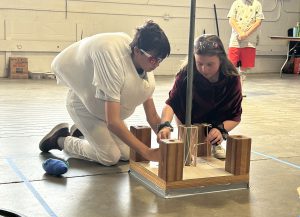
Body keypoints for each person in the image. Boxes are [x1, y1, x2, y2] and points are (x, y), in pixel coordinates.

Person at [39, 20, 171, 166]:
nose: (157, 65)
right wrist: (148, 152)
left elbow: (152, 116)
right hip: (83, 102)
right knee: (110, 157)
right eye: (153, 59)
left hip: (104, 107)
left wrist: (164, 134)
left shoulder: (145, 66)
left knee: (127, 153)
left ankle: (82, 132)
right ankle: (61, 139)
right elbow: (113, 122)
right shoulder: (111, 59)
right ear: (137, 50)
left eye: (160, 60)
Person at [157, 34, 242, 159]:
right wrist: (165, 125)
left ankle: (215, 142)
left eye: (210, 64)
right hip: (189, 117)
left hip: (216, 119)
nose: (204, 69)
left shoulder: (232, 79)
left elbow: (235, 115)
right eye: (199, 63)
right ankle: (185, 140)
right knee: (186, 154)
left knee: (212, 137)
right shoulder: (185, 74)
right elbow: (171, 103)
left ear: (221, 60)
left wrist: (221, 129)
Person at [227, 0, 264, 93]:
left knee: (244, 67)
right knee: (231, 65)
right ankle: (230, 89)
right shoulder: (236, 3)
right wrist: (240, 33)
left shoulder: (257, 4)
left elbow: (258, 21)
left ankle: (239, 90)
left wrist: (246, 34)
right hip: (236, 39)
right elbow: (231, 20)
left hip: (250, 40)